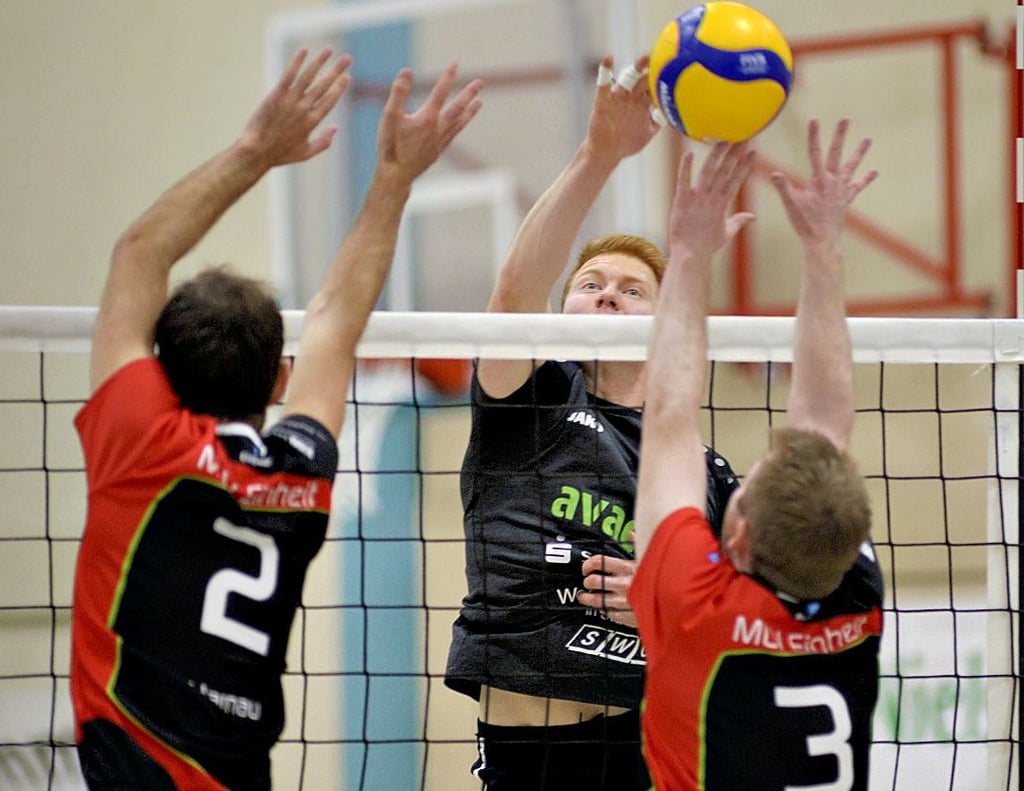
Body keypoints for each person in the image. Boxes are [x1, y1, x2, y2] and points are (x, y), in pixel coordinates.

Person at [69, 48, 483, 790]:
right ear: (280, 377)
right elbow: (334, 319)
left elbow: (138, 253)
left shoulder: (140, 443)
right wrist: (393, 177)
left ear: (158, 371)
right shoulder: (300, 470)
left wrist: (256, 149)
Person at [444, 54, 739, 790]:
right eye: (590, 284)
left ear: (666, 315)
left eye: (632, 288)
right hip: (530, 746)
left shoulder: (701, 467)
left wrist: (664, 609)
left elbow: (748, 620)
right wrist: (599, 154)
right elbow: (513, 298)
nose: (607, 296)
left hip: (653, 744)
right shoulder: (530, 398)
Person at [630, 119, 884, 790]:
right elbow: (823, 423)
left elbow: (668, 421)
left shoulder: (697, 608)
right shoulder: (848, 586)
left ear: (735, 534)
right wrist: (823, 245)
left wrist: (685, 253)